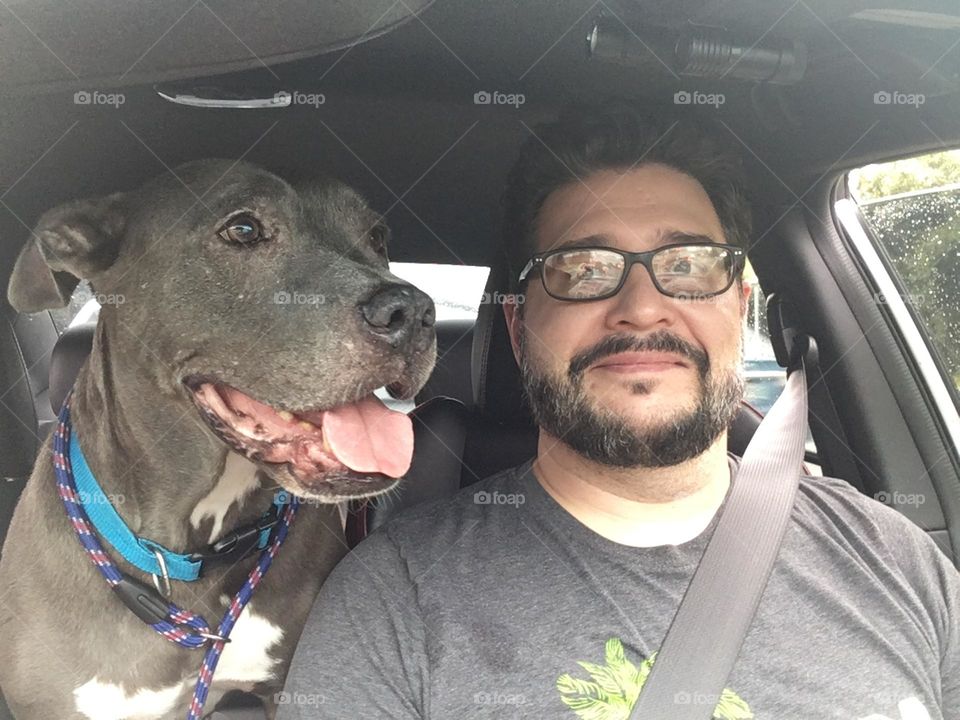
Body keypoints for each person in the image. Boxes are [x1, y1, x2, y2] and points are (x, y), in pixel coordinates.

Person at [278, 104, 960, 719]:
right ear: (519, 330)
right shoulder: (392, 604)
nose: (640, 306)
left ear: (741, 305)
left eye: (689, 264)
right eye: (582, 269)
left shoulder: (898, 558)